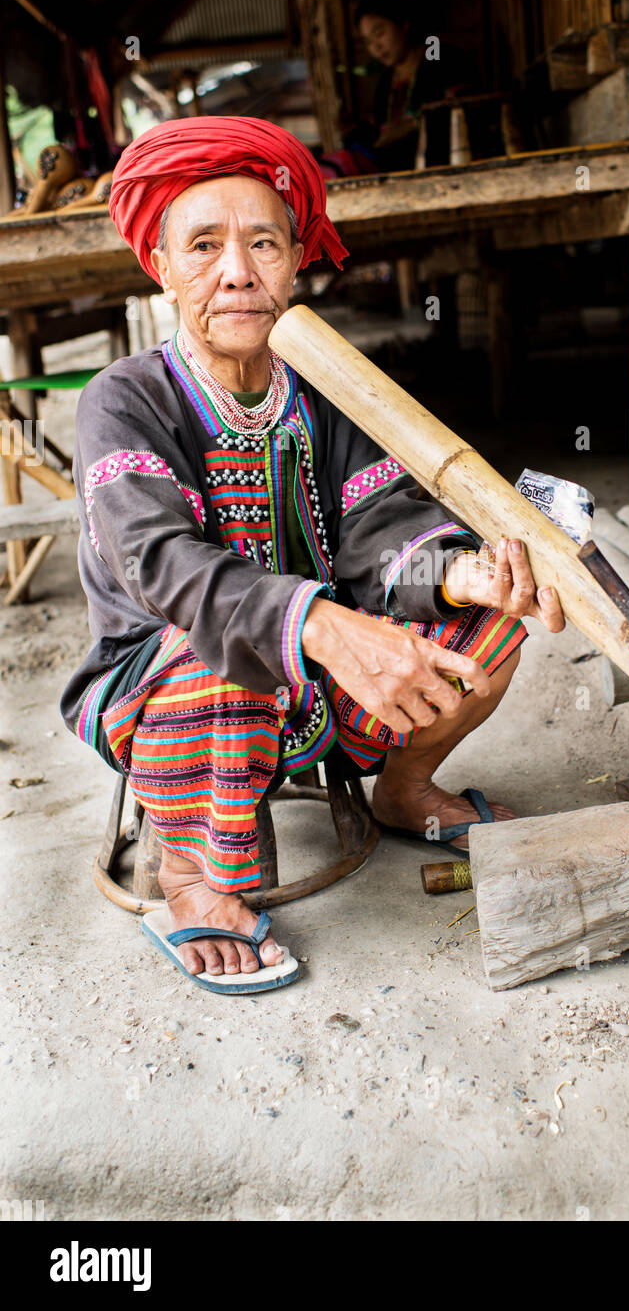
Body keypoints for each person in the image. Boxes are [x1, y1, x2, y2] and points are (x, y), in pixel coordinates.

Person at [60, 115, 564, 989]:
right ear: (163, 267)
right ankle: (188, 874)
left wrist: (457, 572)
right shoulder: (124, 398)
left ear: (295, 262)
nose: (236, 272)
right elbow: (159, 564)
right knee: (231, 651)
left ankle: (402, 787)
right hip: (167, 682)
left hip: (327, 674)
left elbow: (379, 529)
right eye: (205, 246)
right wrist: (320, 626)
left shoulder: (323, 394)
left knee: (487, 614)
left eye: (263, 243)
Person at [321, 0, 475, 176]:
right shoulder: (386, 83)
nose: (375, 47)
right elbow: (381, 133)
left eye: (379, 33)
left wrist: (410, 127)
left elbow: (462, 109)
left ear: (404, 24)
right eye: (368, 41)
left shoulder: (439, 58)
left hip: (447, 167)